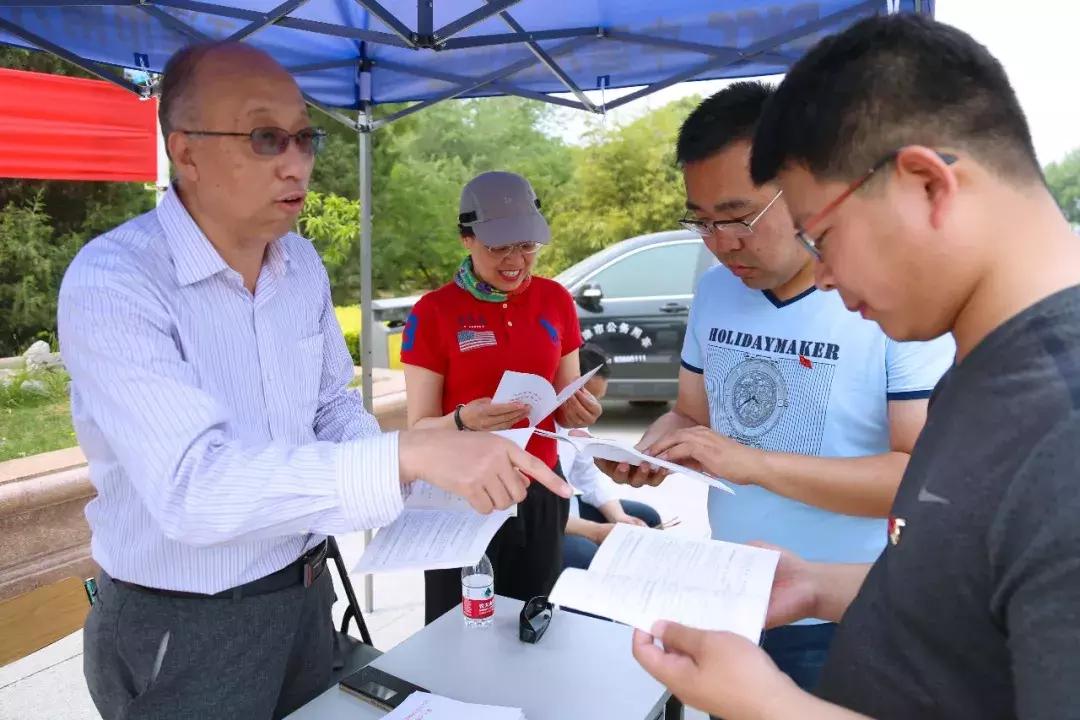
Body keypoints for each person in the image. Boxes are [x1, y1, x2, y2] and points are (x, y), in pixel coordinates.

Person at [60, 42, 569, 720]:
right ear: (186, 153)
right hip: (184, 628)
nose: (295, 161)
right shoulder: (115, 280)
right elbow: (192, 489)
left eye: (304, 137)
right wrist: (405, 453)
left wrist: (414, 481)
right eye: (265, 138)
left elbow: (332, 406)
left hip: (307, 594)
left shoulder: (298, 264)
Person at [632, 13, 1080, 719]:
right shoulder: (987, 367)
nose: (827, 275)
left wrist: (772, 708)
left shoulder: (1063, 429)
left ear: (927, 186)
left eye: (824, 235)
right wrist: (819, 585)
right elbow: (959, 594)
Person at [603, 80, 954, 691]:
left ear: (802, 186)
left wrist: (753, 464)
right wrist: (656, 451)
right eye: (703, 223)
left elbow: (918, 479)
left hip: (848, 606)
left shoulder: (888, 301)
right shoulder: (715, 291)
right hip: (729, 593)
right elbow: (690, 413)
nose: (723, 243)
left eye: (739, 217)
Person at [400, 170, 602, 624]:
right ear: (466, 239)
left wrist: (581, 409)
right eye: (499, 247)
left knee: (533, 618)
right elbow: (418, 429)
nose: (515, 260)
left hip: (540, 487)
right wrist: (462, 421)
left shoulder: (555, 300)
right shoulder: (433, 313)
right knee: (459, 623)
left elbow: (567, 398)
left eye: (527, 246)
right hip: (461, 491)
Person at [560, 344, 660, 571]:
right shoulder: (532, 428)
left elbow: (590, 478)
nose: (594, 409)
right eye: (587, 397)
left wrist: (619, 517)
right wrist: (595, 531)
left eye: (598, 399)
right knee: (587, 554)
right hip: (539, 524)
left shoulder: (577, 429)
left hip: (568, 509)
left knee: (646, 518)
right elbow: (533, 511)